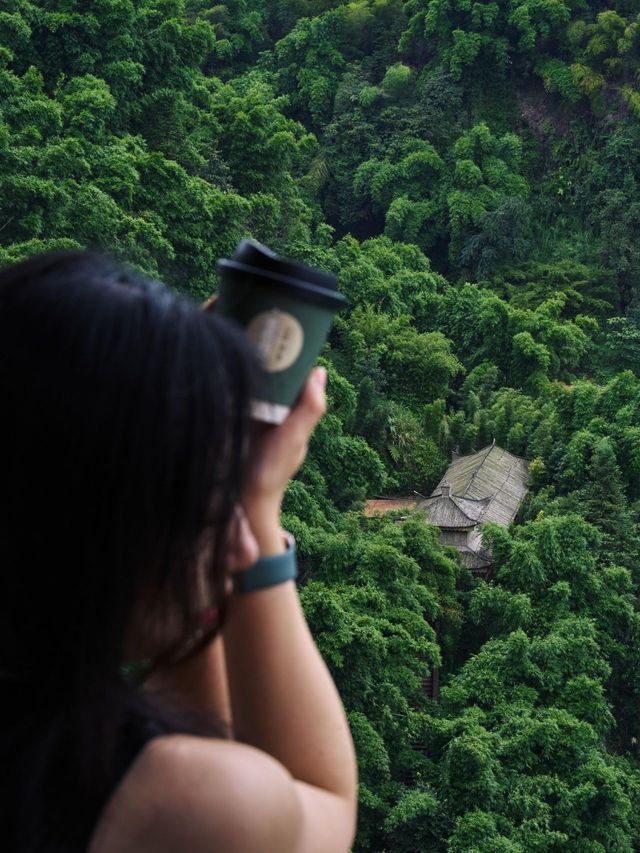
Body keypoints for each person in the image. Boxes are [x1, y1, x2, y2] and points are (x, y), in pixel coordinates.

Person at [0, 251, 358, 852]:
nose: (229, 545)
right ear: (111, 527)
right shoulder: (184, 804)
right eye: (207, 506)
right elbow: (323, 805)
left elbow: (182, 731)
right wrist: (258, 510)